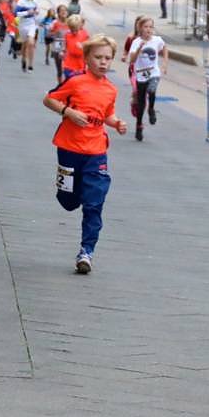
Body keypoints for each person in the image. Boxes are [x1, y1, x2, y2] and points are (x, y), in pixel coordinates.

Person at [42, 34, 128, 274]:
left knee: (94, 204)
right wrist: (69, 112)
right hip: (69, 148)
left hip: (96, 152)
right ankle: (77, 192)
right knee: (68, 201)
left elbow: (107, 114)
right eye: (98, 57)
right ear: (87, 58)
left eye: (107, 58)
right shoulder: (75, 81)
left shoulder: (110, 89)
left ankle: (86, 252)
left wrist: (116, 123)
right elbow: (49, 100)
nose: (103, 62)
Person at [127, 17, 168, 142]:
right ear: (140, 28)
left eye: (151, 27)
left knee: (152, 89)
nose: (149, 29)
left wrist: (165, 63)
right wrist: (139, 49)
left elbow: (164, 48)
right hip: (140, 75)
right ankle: (139, 125)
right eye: (146, 27)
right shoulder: (136, 42)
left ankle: (151, 109)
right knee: (140, 103)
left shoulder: (157, 40)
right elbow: (132, 60)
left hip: (153, 72)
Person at [15, 0, 39, 72]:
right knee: (25, 44)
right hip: (23, 24)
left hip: (31, 24)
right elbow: (16, 13)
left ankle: (30, 65)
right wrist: (27, 12)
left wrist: (36, 14)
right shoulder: (21, 2)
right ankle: (23, 59)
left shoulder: (35, 1)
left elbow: (37, 12)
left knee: (31, 43)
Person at [62, 14, 89, 80]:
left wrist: (82, 47)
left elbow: (89, 49)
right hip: (68, 65)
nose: (74, 32)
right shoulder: (67, 35)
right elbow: (65, 47)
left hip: (80, 67)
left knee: (78, 84)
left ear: (79, 27)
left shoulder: (84, 34)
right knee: (69, 83)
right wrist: (62, 52)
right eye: (72, 30)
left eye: (76, 30)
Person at [49, 5, 69, 84]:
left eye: (65, 10)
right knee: (60, 69)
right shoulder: (55, 23)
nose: (64, 12)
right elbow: (48, 35)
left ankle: (66, 84)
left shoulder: (70, 22)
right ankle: (60, 85)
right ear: (58, 13)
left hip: (68, 46)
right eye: (61, 11)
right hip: (58, 45)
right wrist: (54, 33)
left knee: (66, 67)